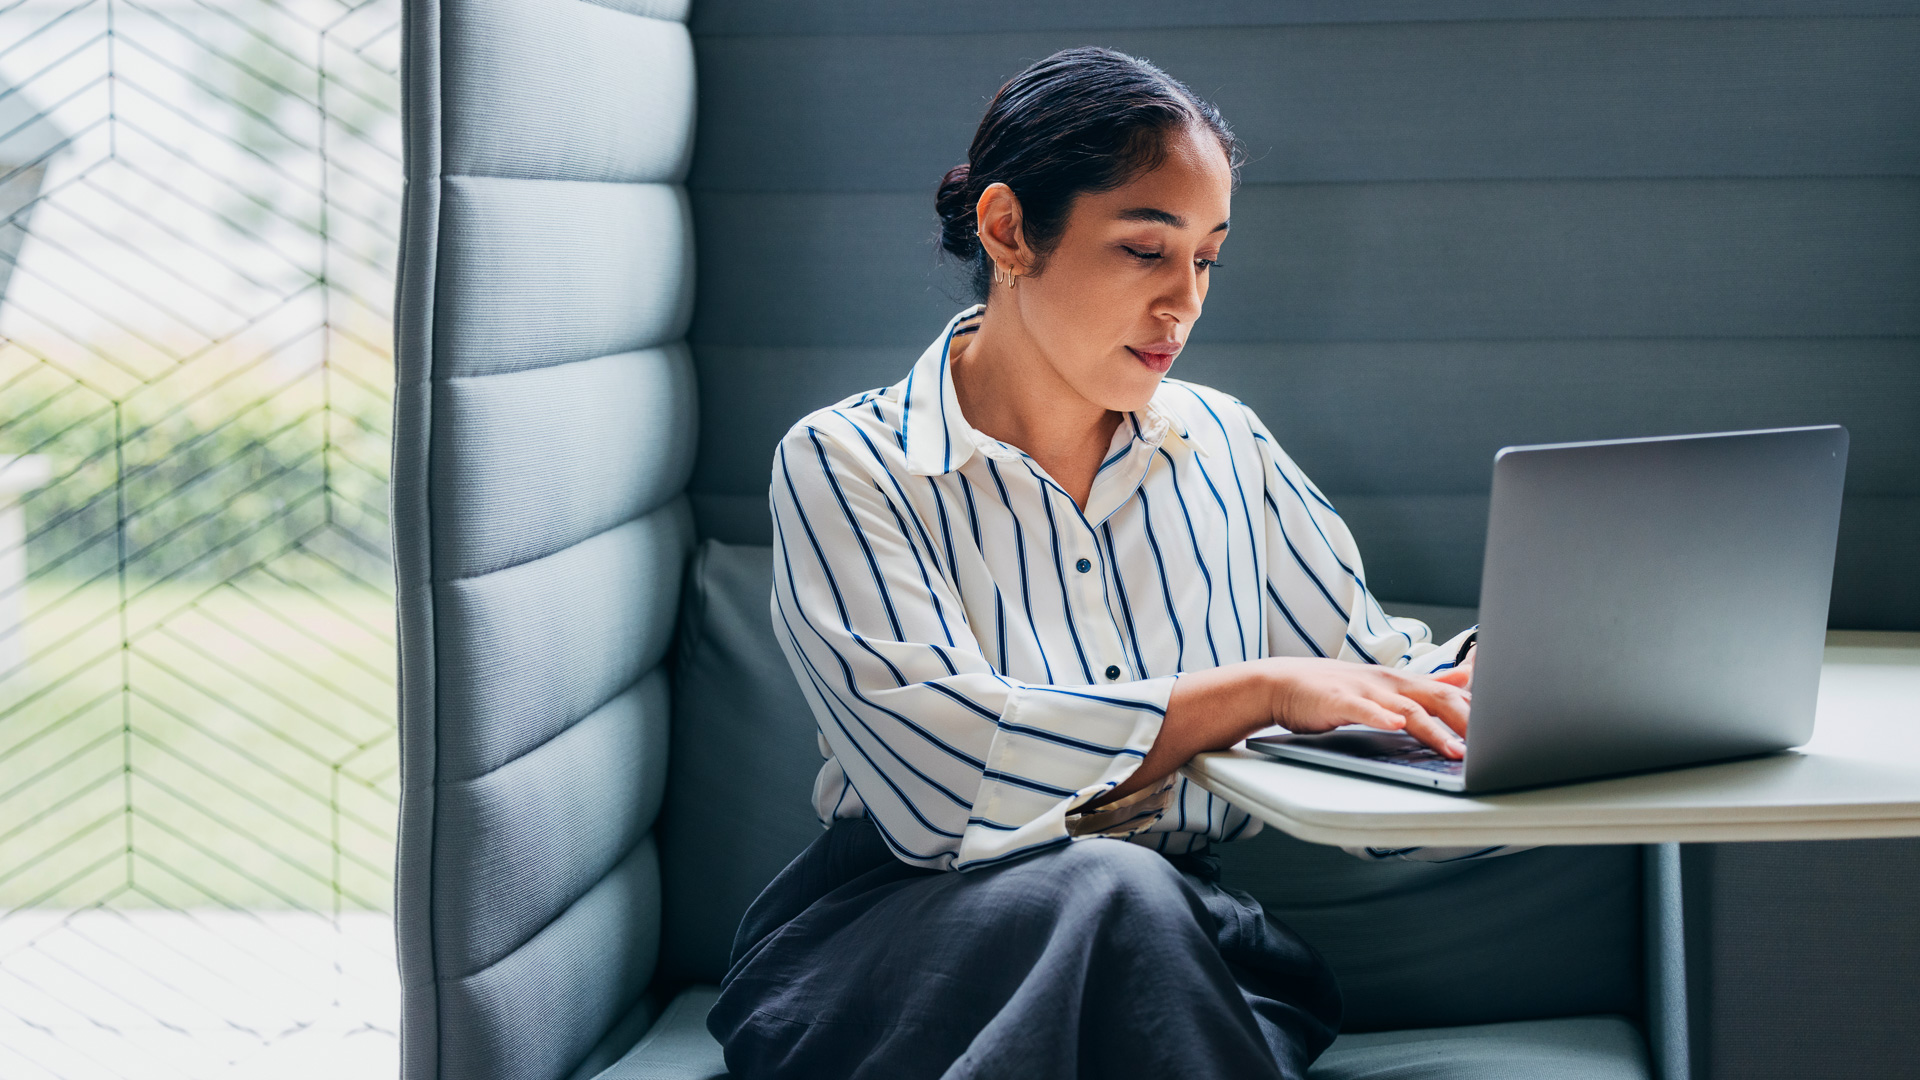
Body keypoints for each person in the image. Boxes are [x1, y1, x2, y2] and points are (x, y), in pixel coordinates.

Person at [708, 46, 1500, 1080]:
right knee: (1108, 896)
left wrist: (1489, 697)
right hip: (900, 944)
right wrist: (1255, 691)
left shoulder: (1228, 446)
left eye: (1208, 258)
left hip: (1181, 940)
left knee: (1133, 909)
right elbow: (950, 789)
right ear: (1007, 231)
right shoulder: (848, 464)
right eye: (1145, 251)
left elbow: (1366, 693)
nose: (1187, 303)